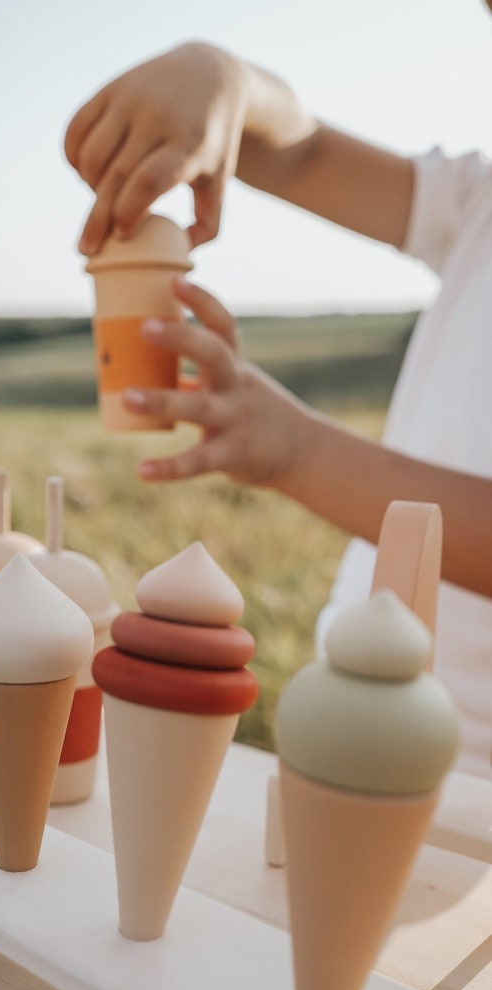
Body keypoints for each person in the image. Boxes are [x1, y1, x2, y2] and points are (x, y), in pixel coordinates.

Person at [64, 41, 492, 777]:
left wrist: (297, 450)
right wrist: (228, 84)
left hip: (470, 774)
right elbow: (302, 152)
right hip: (345, 716)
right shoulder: (478, 200)